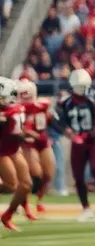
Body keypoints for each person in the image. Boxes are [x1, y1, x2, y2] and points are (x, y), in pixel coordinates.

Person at [56, 69, 95, 221]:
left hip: (93, 139)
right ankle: (86, 208)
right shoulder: (65, 102)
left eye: (83, 86)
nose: (81, 89)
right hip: (77, 141)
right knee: (78, 176)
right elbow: (58, 122)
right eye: (78, 86)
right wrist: (69, 134)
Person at [0, 78, 33, 231]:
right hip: (1, 151)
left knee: (26, 184)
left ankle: (7, 215)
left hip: (13, 149)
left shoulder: (16, 109)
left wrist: (25, 135)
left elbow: (17, 130)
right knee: (11, 185)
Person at [17, 79, 53, 216]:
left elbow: (46, 119)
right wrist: (28, 132)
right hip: (27, 141)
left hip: (42, 140)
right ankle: (24, 201)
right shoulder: (17, 108)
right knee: (34, 173)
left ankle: (39, 200)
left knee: (48, 174)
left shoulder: (42, 104)